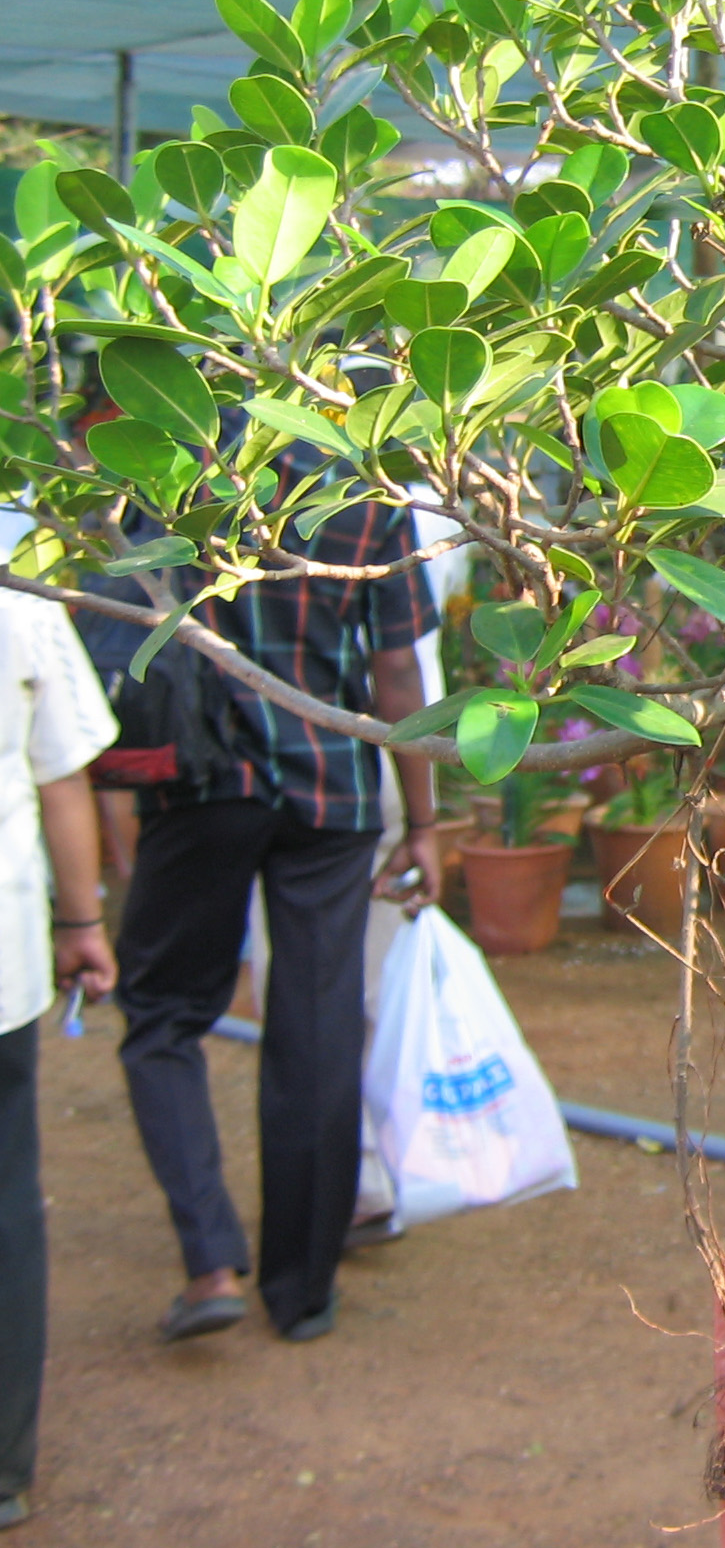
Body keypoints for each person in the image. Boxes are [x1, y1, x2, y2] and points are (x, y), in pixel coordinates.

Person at [110, 496, 442, 1344]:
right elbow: (396, 668)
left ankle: (211, 1263)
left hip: (200, 786)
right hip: (333, 789)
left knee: (162, 1015)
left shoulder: (168, 464)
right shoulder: (363, 493)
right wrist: (426, 821)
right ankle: (303, 1291)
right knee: (317, 1031)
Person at [0, 594, 120, 1531]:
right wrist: (81, 923)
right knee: (6, 1204)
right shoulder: (20, 614)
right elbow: (64, 779)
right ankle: (4, 1461)